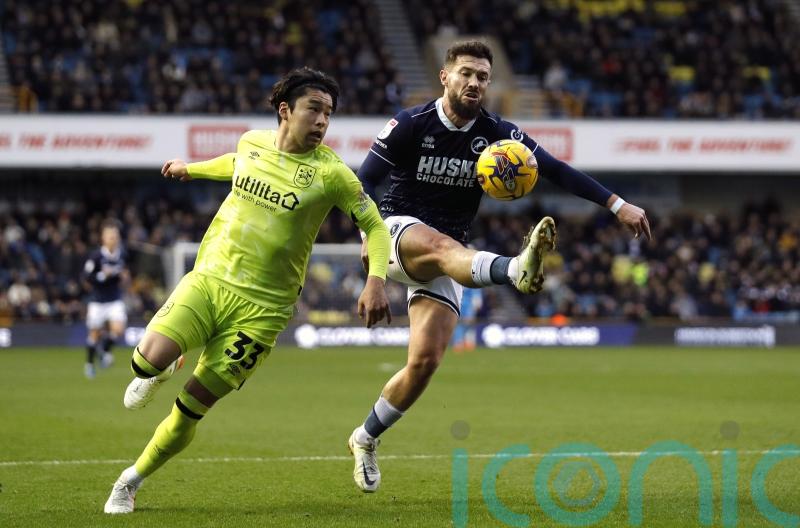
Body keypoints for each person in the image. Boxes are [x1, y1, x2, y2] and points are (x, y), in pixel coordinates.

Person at [347, 40, 651, 492]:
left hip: (452, 256)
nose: (474, 82)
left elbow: (555, 168)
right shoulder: (411, 124)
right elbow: (361, 183)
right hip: (394, 232)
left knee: (424, 363)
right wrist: (369, 246)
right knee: (441, 245)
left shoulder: (497, 133)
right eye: (466, 73)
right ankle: (515, 269)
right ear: (445, 77)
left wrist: (617, 204)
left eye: (483, 76)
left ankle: (365, 438)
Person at [103, 67, 392, 514]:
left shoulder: (332, 174)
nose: (321, 122)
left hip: (264, 309)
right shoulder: (251, 142)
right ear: (285, 111)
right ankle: (166, 365)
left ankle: (130, 480)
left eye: (328, 114)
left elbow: (374, 225)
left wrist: (376, 281)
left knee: (191, 407)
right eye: (313, 109)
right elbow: (236, 166)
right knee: (145, 362)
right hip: (212, 278)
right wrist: (191, 170)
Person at [82, 219, 129, 379]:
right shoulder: (96, 256)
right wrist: (102, 275)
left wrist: (124, 277)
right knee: (93, 335)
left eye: (115, 236)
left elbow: (124, 274)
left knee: (118, 330)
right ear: (103, 238)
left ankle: (105, 351)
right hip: (97, 301)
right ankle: (89, 364)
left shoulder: (122, 254)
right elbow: (86, 276)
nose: (113, 239)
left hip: (114, 299)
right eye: (110, 236)